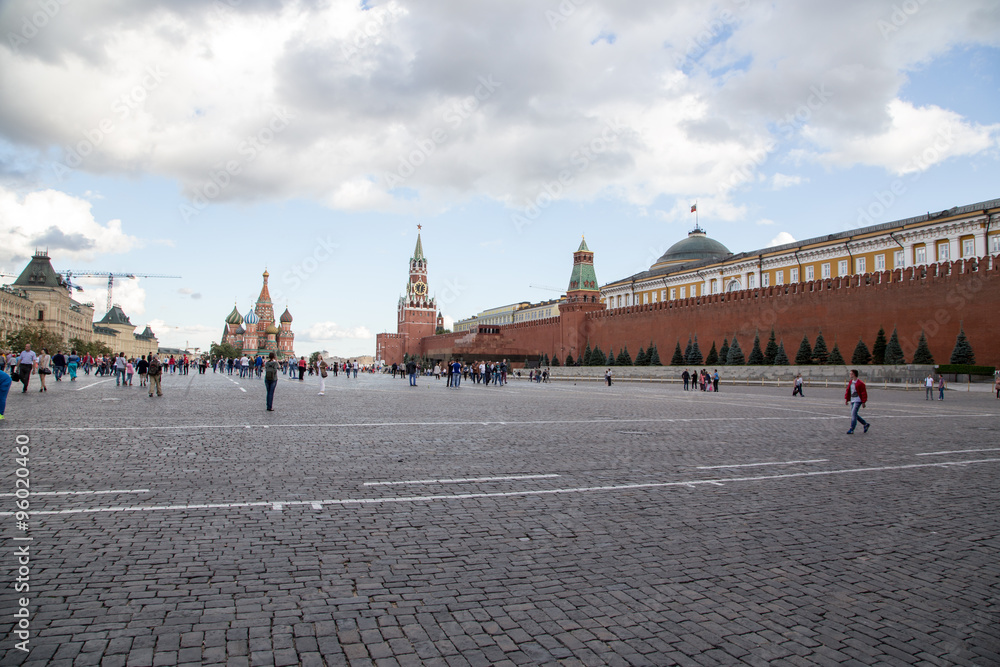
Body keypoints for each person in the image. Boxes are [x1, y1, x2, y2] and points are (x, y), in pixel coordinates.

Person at [845, 369, 870, 435]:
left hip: (858, 400)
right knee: (854, 414)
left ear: (854, 374)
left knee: (853, 414)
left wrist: (863, 402)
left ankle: (852, 429)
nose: (850, 374)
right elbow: (848, 391)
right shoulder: (851, 382)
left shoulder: (860, 383)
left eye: (851, 373)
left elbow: (863, 392)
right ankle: (865, 424)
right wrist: (847, 400)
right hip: (852, 400)